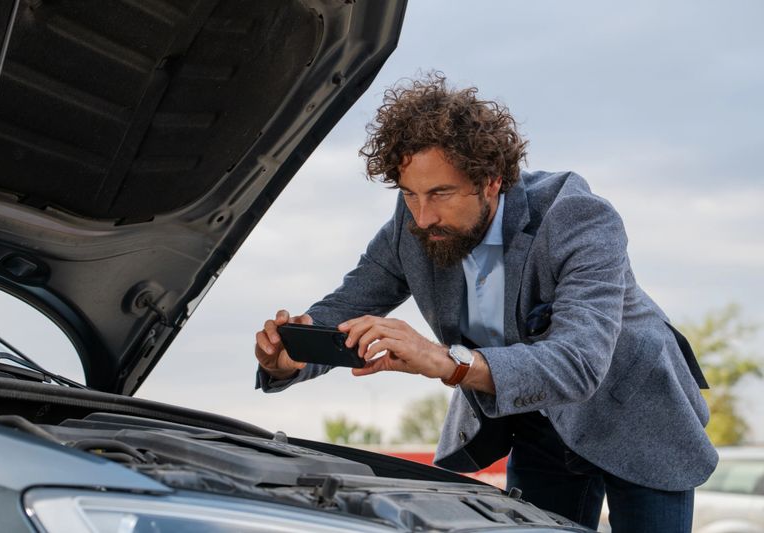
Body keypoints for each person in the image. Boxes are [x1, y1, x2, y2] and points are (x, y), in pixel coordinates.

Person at [253, 73, 717, 532]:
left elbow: (578, 363)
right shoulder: (412, 227)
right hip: (535, 422)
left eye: (440, 193)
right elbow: (346, 307)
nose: (422, 215)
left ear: (492, 181)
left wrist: (446, 362)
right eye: (409, 194)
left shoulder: (577, 217)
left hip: (636, 414)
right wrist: (291, 357)